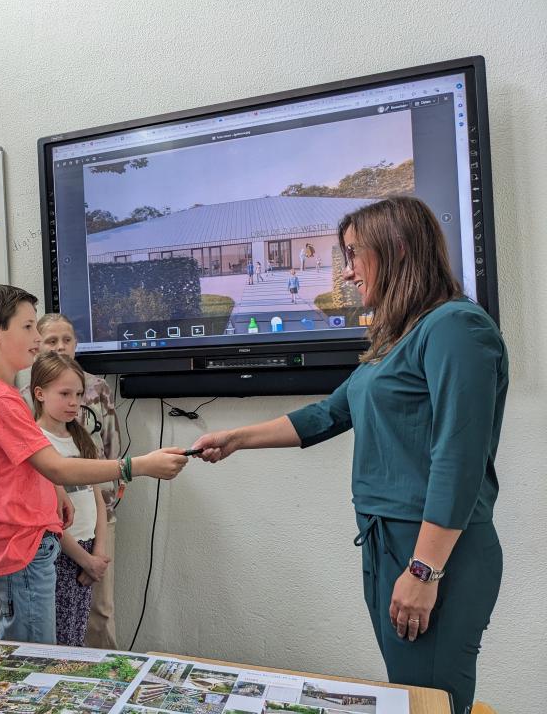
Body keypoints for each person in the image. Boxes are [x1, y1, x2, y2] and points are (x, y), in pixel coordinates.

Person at [190, 197, 507, 714]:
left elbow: (459, 457)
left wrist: (425, 570)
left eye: (355, 254)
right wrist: (236, 438)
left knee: (428, 700)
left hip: (432, 550)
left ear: (398, 248)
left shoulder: (456, 328)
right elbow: (330, 413)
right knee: (409, 692)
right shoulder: (398, 338)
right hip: (388, 543)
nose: (347, 272)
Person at [0, 284, 187, 644]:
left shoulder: (2, 395)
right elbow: (57, 467)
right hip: (21, 547)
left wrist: (56, 496)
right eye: (27, 328)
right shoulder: (1, 401)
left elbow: (32, 467)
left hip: (29, 542)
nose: (37, 338)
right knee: (34, 661)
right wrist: (137, 466)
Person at [33, 312, 121, 649]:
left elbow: (108, 461)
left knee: (95, 614)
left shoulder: (93, 403)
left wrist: (96, 553)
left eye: (66, 339)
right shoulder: (31, 426)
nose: (60, 346)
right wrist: (84, 560)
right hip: (57, 541)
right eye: (50, 340)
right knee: (57, 628)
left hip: (92, 532)